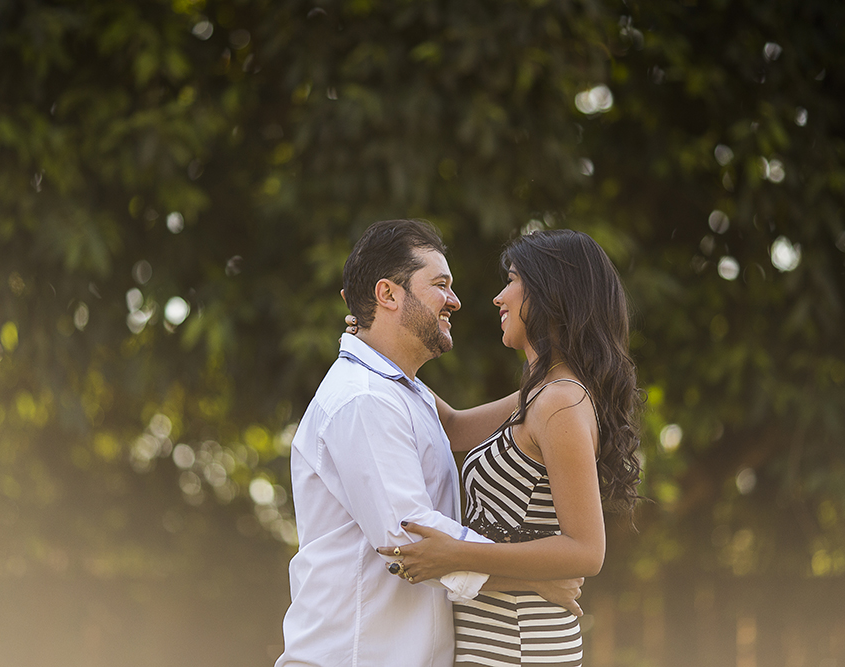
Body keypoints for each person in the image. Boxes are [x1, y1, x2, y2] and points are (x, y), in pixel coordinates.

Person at [275, 219, 583, 667]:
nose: (455, 301)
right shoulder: (364, 400)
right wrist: (531, 575)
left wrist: (561, 383)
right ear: (389, 295)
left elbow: (459, 428)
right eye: (440, 285)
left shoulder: (402, 390)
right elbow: (412, 541)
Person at [373, 229, 643, 666]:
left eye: (512, 281)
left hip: (522, 640)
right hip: (500, 632)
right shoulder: (540, 393)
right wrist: (379, 342)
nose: (499, 298)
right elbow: (456, 428)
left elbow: (586, 550)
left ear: (549, 293)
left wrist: (455, 555)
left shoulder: (560, 401)